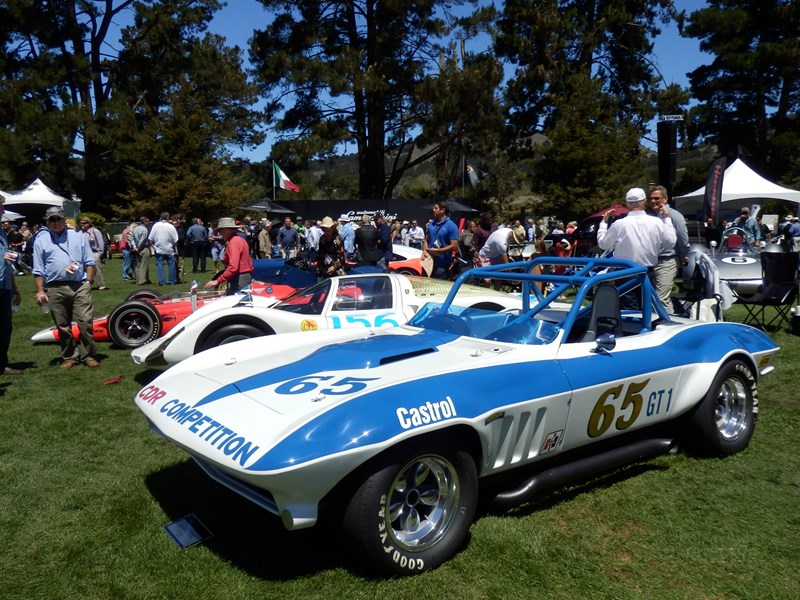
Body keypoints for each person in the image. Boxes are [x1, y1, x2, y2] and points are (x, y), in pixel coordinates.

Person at [32, 206, 99, 369]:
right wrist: (40, 290)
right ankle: (69, 356)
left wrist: (88, 282)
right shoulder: (41, 241)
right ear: (47, 222)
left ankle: (88, 355)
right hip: (55, 288)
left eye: (58, 219)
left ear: (64, 220)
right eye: (51, 220)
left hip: (79, 285)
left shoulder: (78, 237)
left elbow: (90, 261)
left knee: (85, 322)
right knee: (62, 326)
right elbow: (38, 269)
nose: (55, 223)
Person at [597, 188, 676, 308]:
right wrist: (667, 219)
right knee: (647, 308)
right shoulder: (657, 222)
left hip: (625, 272)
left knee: (629, 310)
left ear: (627, 203)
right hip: (647, 271)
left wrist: (603, 223)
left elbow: (603, 244)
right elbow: (670, 242)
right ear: (644, 201)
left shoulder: (620, 224)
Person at [648, 185, 689, 313]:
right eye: (651, 199)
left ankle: (669, 326)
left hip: (667, 261)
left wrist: (683, 257)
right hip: (649, 262)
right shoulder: (649, 217)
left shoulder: (675, 216)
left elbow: (683, 239)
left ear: (665, 199)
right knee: (650, 297)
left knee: (661, 299)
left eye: (657, 198)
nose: (653, 201)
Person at [1, 194, 23, 375]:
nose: (1, 211)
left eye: (1, 207)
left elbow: (6, 262)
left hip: (5, 286)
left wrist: (14, 287)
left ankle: (1, 364)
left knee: (5, 326)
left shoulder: (2, 233)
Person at [204, 217, 254, 294]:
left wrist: (218, 280)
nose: (220, 233)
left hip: (239, 278)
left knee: (237, 302)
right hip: (243, 276)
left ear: (227, 230)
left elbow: (233, 267)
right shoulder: (239, 239)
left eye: (221, 230)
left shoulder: (233, 242)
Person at [423, 200, 459, 279]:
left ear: (443, 210)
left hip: (442, 265)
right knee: (425, 288)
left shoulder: (451, 226)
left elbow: (454, 246)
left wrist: (437, 251)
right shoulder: (431, 224)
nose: (433, 210)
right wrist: (424, 251)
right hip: (428, 262)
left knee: (438, 289)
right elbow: (426, 240)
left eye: (436, 208)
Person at [148, 212, 178, 286]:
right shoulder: (171, 226)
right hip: (169, 248)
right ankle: (172, 281)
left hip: (159, 248)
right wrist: (175, 248)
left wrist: (154, 245)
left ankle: (162, 282)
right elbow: (176, 239)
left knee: (160, 265)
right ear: (168, 218)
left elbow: (150, 238)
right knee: (171, 265)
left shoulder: (156, 226)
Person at [79, 217, 107, 290]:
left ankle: (101, 285)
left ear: (88, 223)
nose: (81, 224)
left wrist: (100, 253)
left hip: (94, 252)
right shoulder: (80, 232)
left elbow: (101, 243)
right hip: (84, 254)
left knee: (97, 270)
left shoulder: (95, 231)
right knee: (84, 270)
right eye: (81, 223)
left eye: (83, 223)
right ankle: (87, 284)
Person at [132, 216, 152, 285]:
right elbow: (143, 239)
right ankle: (142, 281)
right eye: (148, 221)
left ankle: (141, 279)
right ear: (145, 221)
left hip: (136, 249)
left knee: (138, 264)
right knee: (144, 265)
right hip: (143, 248)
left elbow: (132, 239)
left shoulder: (135, 229)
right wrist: (138, 247)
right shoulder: (145, 229)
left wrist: (134, 246)